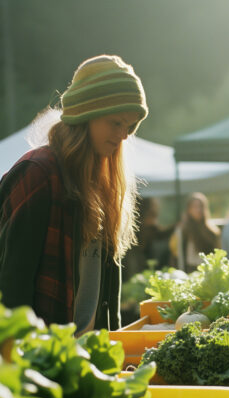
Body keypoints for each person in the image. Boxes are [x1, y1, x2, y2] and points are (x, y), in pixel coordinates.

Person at [0, 55, 148, 336]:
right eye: (115, 122)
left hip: (91, 362)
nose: (124, 135)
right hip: (43, 362)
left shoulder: (106, 185)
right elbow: (11, 289)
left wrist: (113, 355)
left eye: (129, 126)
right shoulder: (37, 174)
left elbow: (107, 304)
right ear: (84, 116)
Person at [122, 197, 175, 281]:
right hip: (134, 250)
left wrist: (175, 226)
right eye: (151, 213)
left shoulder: (152, 227)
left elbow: (161, 234)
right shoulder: (136, 223)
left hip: (146, 251)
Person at [169, 192, 220, 272]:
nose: (198, 210)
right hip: (190, 270)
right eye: (195, 207)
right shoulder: (182, 230)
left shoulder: (212, 231)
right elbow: (177, 255)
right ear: (189, 209)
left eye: (201, 206)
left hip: (208, 270)